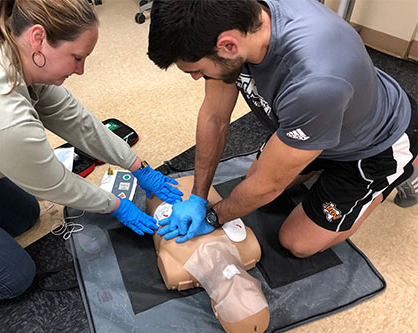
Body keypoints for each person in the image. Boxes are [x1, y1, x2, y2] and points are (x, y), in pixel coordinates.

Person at [0, 0, 182, 304]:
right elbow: (54, 183)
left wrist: (137, 166)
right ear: (39, 38)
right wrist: (115, 205)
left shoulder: (10, 55)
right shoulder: (1, 114)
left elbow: (75, 119)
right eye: (77, 58)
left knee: (25, 215)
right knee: (14, 277)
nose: (81, 71)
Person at [147, 0, 417, 256]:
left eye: (197, 70)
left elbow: (269, 186)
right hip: (316, 119)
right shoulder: (235, 20)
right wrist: (198, 196)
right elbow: (215, 117)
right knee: (251, 181)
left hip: (373, 142)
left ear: (228, 45)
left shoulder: (316, 80)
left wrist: (212, 217)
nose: (196, 77)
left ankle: (400, 172)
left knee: (297, 242)